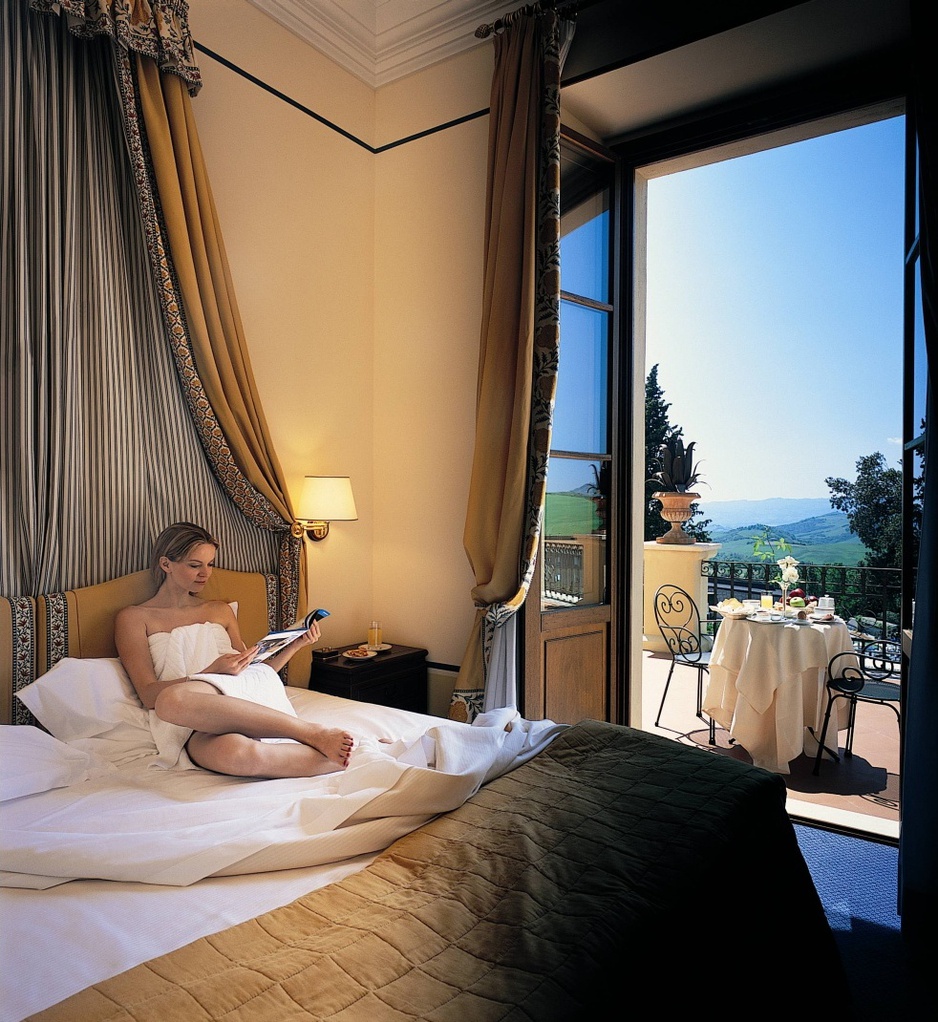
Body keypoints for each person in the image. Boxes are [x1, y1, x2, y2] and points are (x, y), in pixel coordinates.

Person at [115, 522, 354, 778]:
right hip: (191, 718)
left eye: (210, 564)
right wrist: (211, 672)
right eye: (195, 565)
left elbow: (254, 675)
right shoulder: (134, 618)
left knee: (173, 700)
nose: (205, 574)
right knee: (234, 750)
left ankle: (314, 734)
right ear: (166, 564)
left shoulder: (219, 610)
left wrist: (295, 644)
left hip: (239, 699)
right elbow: (149, 695)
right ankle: (337, 752)